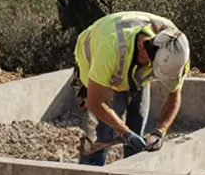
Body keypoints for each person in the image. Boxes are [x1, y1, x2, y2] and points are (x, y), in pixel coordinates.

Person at [72, 11, 190, 166]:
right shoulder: (110, 48)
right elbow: (95, 102)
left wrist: (160, 131)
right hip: (96, 68)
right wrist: (125, 133)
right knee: (102, 134)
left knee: (138, 123)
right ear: (145, 49)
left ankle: (130, 173)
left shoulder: (176, 49)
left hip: (132, 71)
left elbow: (174, 94)